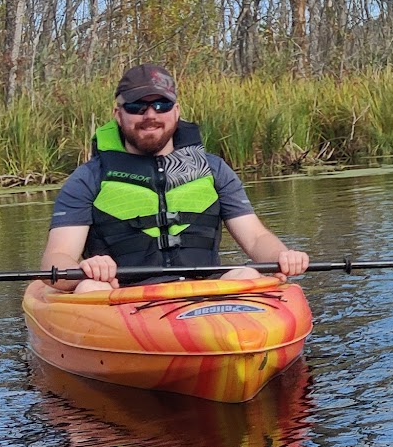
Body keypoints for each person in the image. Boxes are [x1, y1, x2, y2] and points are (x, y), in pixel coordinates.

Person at [39, 63, 310, 292]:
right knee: (89, 287)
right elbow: (57, 258)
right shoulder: (88, 178)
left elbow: (255, 238)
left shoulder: (214, 169)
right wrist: (87, 269)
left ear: (176, 111)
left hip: (205, 292)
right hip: (123, 298)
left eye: (162, 105)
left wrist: (281, 256)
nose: (150, 115)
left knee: (246, 275)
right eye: (136, 106)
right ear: (118, 115)